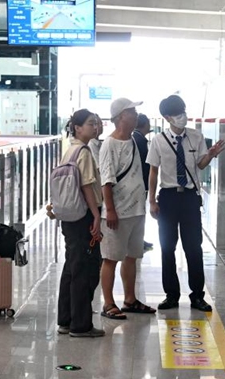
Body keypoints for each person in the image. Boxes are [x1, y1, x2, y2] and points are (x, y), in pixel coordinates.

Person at [147, 95, 225, 312]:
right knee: (167, 247)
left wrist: (210, 155)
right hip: (169, 197)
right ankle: (171, 295)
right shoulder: (158, 140)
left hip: (190, 198)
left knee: (193, 247)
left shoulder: (195, 136)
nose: (183, 117)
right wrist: (151, 200)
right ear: (167, 117)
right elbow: (153, 171)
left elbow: (200, 165)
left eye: (183, 111)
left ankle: (197, 296)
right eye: (178, 114)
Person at [98, 98, 155, 320]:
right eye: (132, 111)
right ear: (121, 116)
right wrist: (110, 210)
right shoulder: (109, 144)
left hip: (136, 210)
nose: (136, 115)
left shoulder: (131, 141)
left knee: (132, 256)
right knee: (111, 258)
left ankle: (130, 299)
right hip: (117, 213)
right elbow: (107, 179)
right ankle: (108, 303)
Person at [57, 109, 105, 338]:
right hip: (84, 215)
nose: (94, 127)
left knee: (71, 268)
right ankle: (81, 324)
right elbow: (87, 186)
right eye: (90, 123)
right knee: (85, 270)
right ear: (77, 127)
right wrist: (96, 215)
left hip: (70, 217)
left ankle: (66, 319)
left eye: (95, 123)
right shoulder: (83, 152)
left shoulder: (70, 150)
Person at [133, 113, 153, 252]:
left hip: (139, 183)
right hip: (139, 183)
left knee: (140, 213)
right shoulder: (139, 140)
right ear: (145, 125)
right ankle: (137, 240)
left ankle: (139, 239)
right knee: (139, 213)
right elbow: (144, 164)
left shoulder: (137, 138)